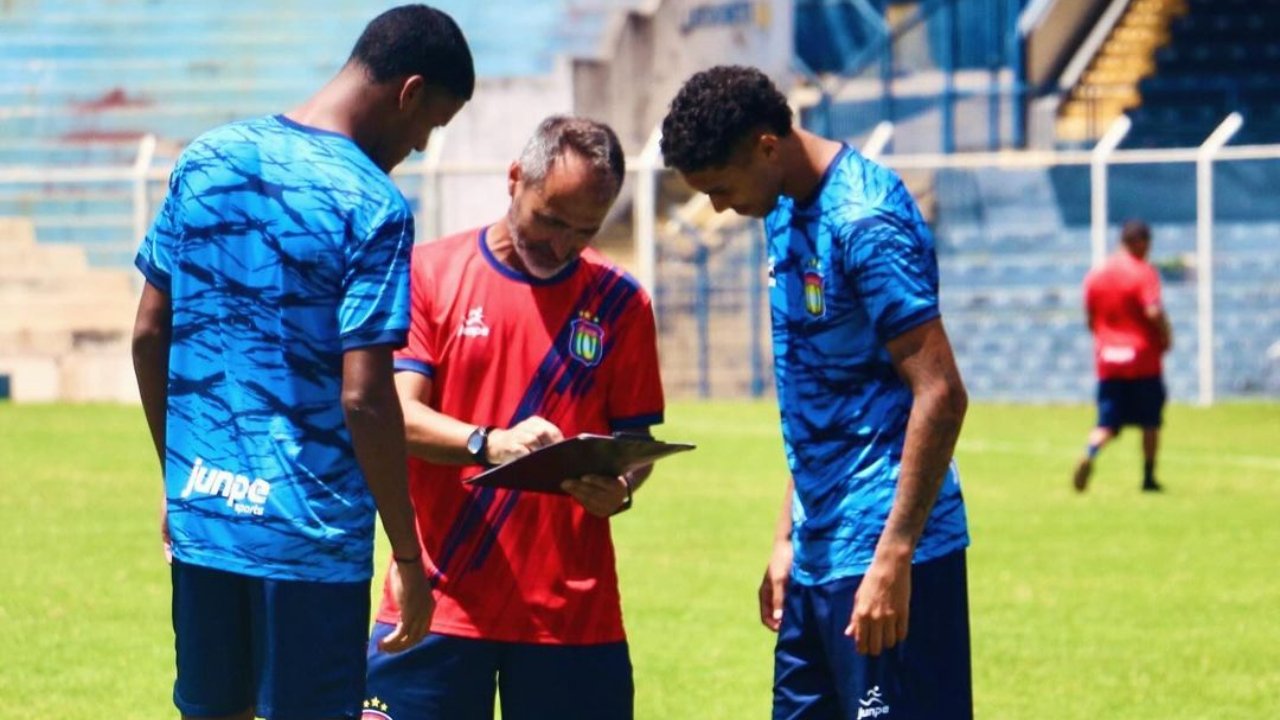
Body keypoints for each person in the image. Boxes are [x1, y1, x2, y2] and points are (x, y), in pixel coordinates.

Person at [130, 6, 473, 719]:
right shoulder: (371, 204)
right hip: (309, 537)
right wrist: (409, 557)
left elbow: (147, 331)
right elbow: (365, 397)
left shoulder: (206, 157)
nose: (416, 145)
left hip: (208, 519)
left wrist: (178, 470)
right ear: (410, 93)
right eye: (429, 126)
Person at [660, 65, 972, 720]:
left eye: (720, 188)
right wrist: (785, 538)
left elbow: (940, 393)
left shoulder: (865, 219)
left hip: (884, 555)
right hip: (815, 555)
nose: (717, 208)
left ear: (767, 147)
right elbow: (820, 400)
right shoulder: (782, 211)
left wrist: (894, 556)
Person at [361, 115, 664, 720]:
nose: (562, 245)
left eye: (584, 230)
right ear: (514, 179)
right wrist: (488, 443)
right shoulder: (430, 274)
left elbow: (635, 440)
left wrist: (621, 484)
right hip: (438, 602)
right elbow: (396, 415)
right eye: (551, 220)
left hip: (572, 618)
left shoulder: (621, 301)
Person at [1073, 219, 1172, 493]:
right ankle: (1149, 478)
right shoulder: (1143, 272)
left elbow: (1090, 318)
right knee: (1150, 421)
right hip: (1142, 359)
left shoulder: (1097, 274)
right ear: (1139, 242)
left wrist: (1104, 339)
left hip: (1109, 360)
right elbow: (1153, 311)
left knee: (1106, 422)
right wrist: (1166, 335)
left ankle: (1090, 452)